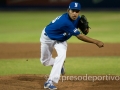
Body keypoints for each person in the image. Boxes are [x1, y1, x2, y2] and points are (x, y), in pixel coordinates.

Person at [40, 1, 104, 90]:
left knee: (62, 56)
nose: (74, 13)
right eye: (73, 11)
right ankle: (58, 65)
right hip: (48, 38)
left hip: (61, 40)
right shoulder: (65, 21)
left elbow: (84, 31)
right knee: (45, 62)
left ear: (79, 12)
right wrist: (96, 42)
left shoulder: (77, 19)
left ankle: (50, 81)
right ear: (68, 10)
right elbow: (80, 36)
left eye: (77, 11)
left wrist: (86, 29)